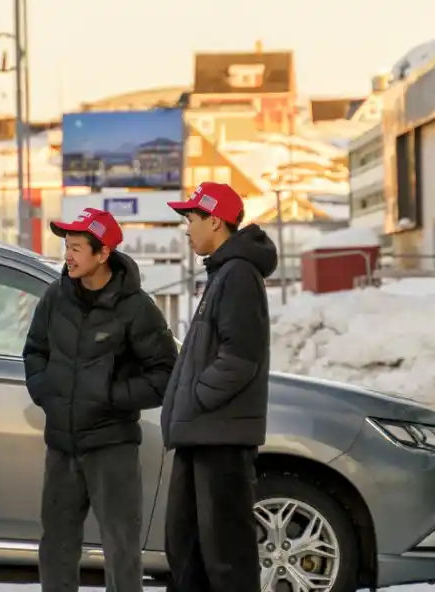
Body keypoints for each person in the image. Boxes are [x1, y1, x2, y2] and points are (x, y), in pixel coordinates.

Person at [23, 208, 178, 592]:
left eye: (76, 248)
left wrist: (111, 397)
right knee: (56, 545)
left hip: (112, 446)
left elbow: (164, 374)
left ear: (103, 253)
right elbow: (34, 351)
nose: (68, 256)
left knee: (121, 547)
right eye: (67, 247)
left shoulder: (136, 308)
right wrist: (47, 393)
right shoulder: (55, 297)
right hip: (62, 445)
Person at [161, 182, 278, 592]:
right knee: (187, 548)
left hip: (220, 438)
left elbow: (239, 359)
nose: (186, 229)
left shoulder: (239, 275)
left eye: (191, 219)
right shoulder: (223, 272)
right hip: (203, 434)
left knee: (225, 556)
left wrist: (195, 400)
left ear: (215, 220)